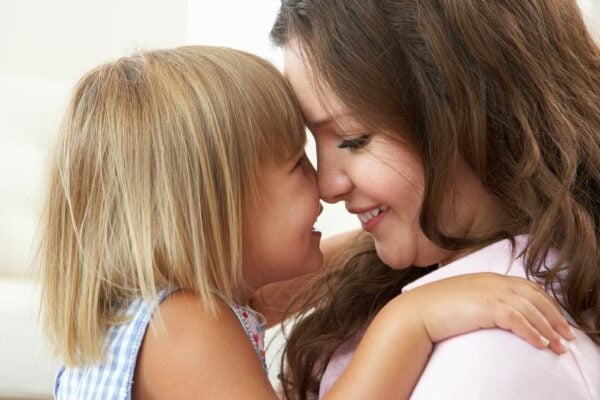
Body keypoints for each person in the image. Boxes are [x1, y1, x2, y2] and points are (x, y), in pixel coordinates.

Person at [39, 45, 571, 400]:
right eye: (298, 163)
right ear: (217, 207)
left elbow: (333, 267)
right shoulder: (182, 328)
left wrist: (407, 230)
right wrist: (411, 319)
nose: (323, 183)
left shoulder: (181, 309)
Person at [270, 0, 600, 399]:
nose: (327, 186)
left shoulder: (498, 352)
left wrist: (406, 322)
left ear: (470, 112)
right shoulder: (424, 268)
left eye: (353, 138)